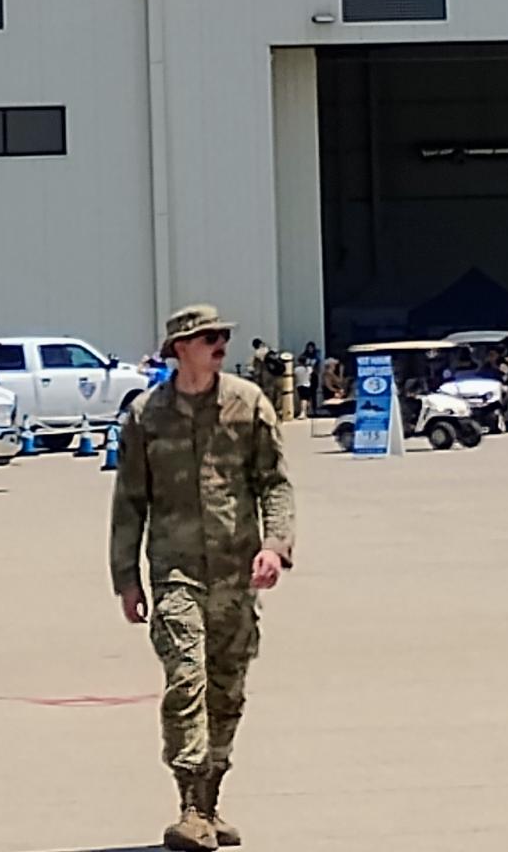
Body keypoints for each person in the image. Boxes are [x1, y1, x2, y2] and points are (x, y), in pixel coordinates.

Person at [111, 303, 295, 852]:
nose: (220, 344)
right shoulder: (146, 415)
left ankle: (211, 801)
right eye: (207, 337)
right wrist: (125, 577)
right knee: (186, 681)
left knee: (227, 689)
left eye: (221, 336)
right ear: (179, 349)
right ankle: (189, 805)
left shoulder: (248, 404)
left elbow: (274, 483)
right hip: (175, 572)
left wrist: (275, 545)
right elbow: (129, 501)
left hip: (237, 573)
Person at [293, 344, 317, 419]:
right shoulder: (309, 369)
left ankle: (303, 412)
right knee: (306, 399)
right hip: (307, 385)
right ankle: (306, 412)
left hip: (299, 385)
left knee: (302, 399)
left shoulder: (296, 369)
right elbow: (311, 375)